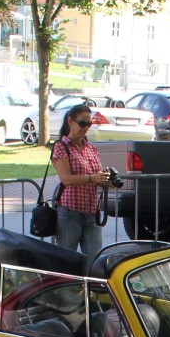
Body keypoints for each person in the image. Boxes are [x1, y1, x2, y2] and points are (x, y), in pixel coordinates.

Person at [50, 104, 112, 267]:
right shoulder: (60, 147)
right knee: (65, 261)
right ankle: (64, 291)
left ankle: (90, 291)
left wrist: (106, 180)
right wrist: (92, 178)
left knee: (94, 262)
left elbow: (96, 176)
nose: (86, 128)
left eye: (89, 124)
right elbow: (66, 179)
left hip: (92, 213)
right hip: (70, 212)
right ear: (70, 121)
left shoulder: (91, 148)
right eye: (82, 123)